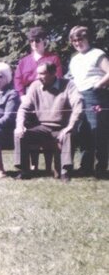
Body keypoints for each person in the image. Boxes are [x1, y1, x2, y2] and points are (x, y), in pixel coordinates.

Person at [14, 61, 83, 181]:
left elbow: (79, 105)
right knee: (20, 135)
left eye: (42, 74)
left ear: (53, 73)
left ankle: (65, 172)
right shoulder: (35, 86)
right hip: (43, 128)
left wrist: (70, 126)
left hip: (62, 127)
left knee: (68, 135)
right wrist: (20, 126)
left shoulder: (68, 85)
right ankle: (24, 170)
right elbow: (23, 108)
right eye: (37, 73)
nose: (37, 77)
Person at [67, 25, 109, 177]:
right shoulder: (74, 58)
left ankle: (101, 167)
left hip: (95, 95)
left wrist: (98, 84)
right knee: (83, 131)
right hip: (79, 96)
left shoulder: (97, 54)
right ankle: (86, 167)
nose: (77, 43)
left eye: (80, 39)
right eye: (74, 40)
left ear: (87, 38)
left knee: (97, 131)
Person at [14, 26, 63, 95]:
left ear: (44, 41)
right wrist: (22, 96)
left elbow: (58, 78)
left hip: (49, 92)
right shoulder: (23, 62)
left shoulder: (53, 59)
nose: (34, 43)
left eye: (37, 40)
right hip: (29, 94)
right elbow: (18, 80)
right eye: (31, 41)